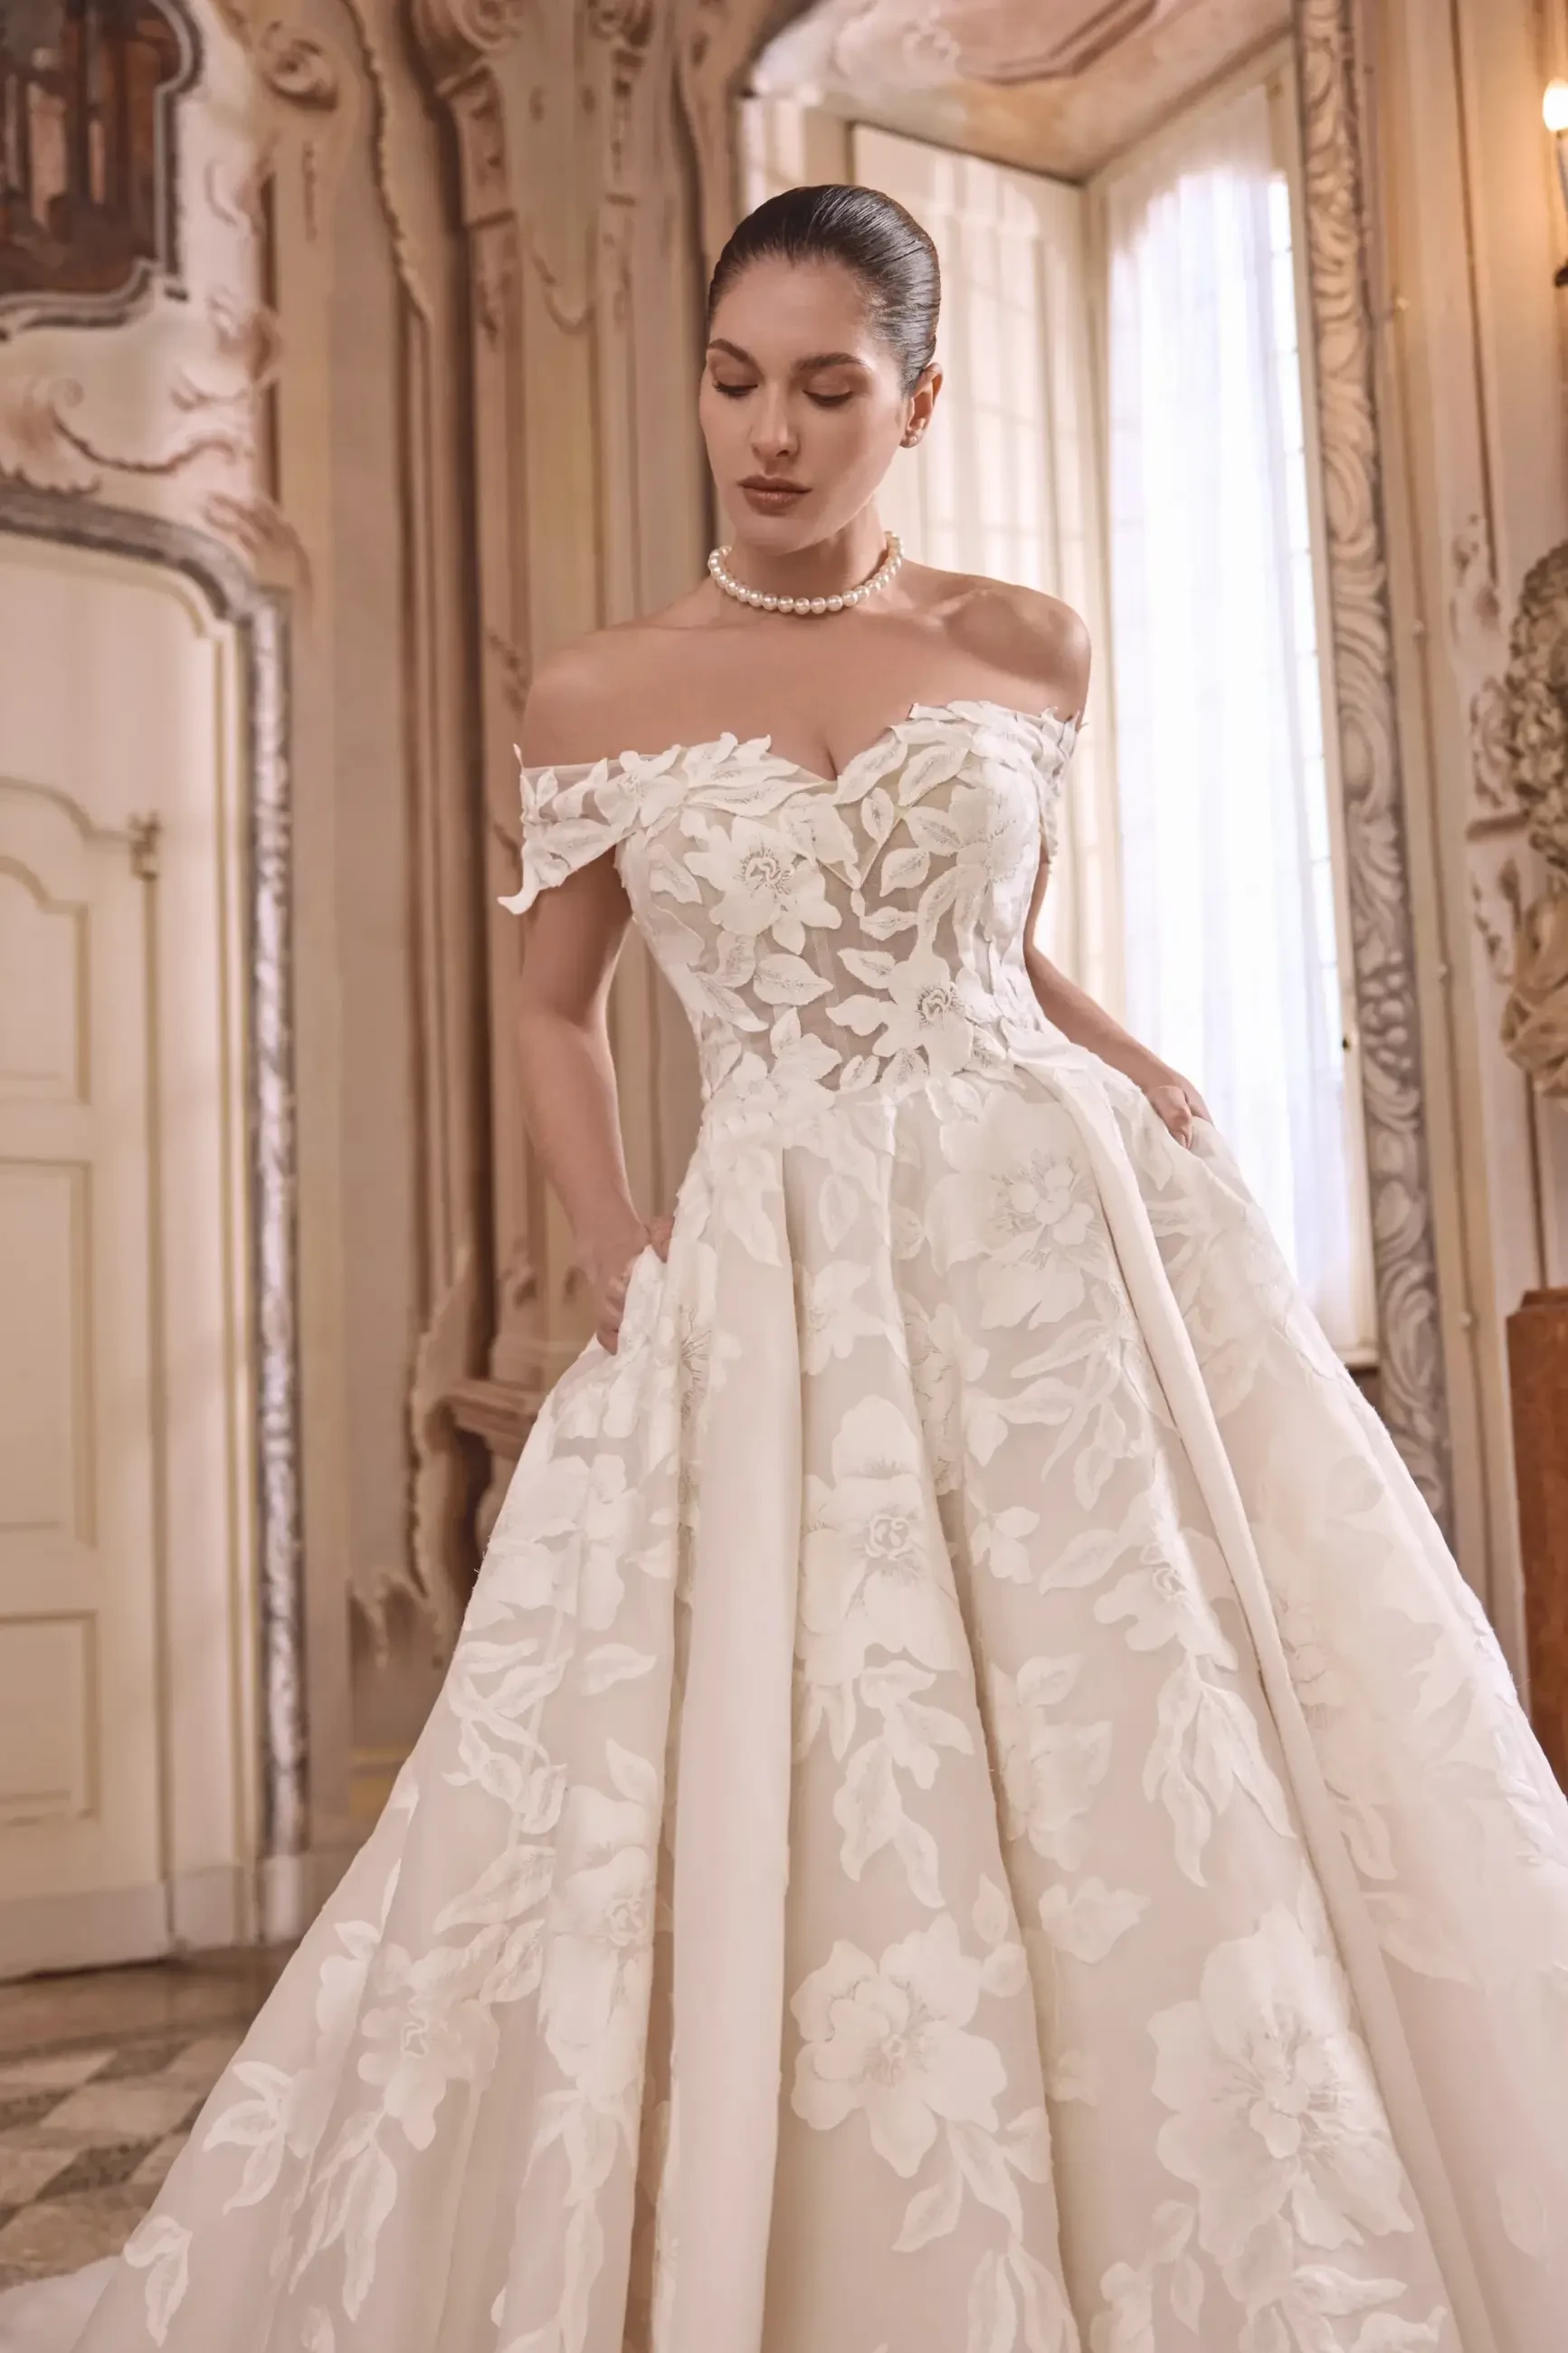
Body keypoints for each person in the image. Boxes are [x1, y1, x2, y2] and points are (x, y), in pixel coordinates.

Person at [3, 179, 1564, 2353]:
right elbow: (554, 1007)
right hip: (778, 1253)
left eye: (826, 388)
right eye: (733, 381)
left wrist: (1151, 1075)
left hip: (1052, 1237)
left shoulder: (1020, 643)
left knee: (1136, 1731)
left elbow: (998, 951)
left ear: (916, 400)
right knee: (822, 1745)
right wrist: (619, 1237)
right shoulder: (599, 692)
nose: (767, 429)